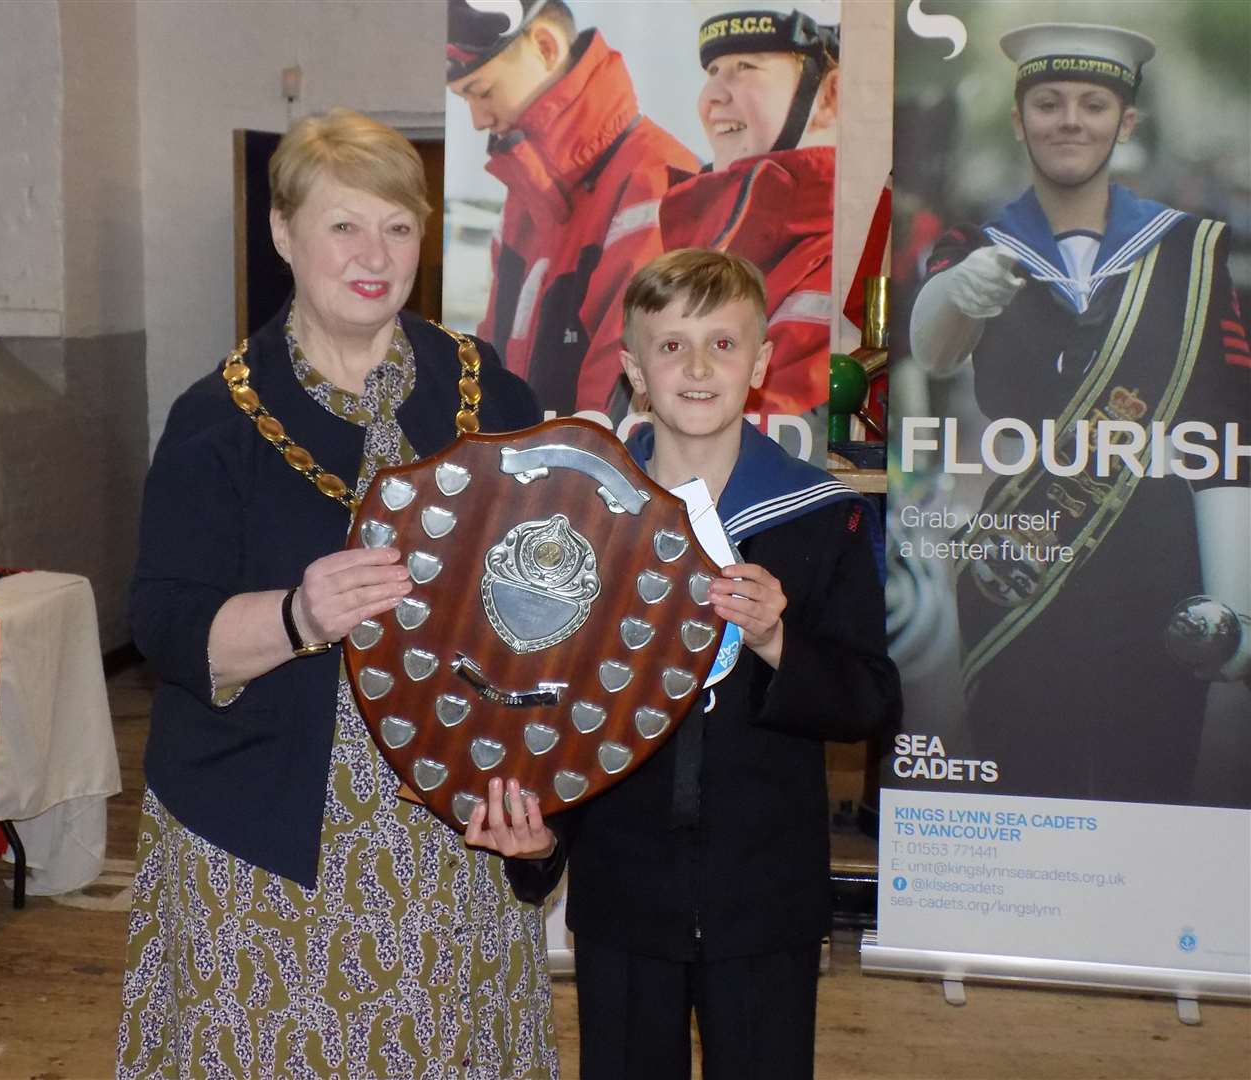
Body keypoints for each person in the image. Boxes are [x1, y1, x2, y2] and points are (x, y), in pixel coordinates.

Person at [117, 109, 560, 1079]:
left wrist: (541, 789)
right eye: (344, 226)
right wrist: (298, 616)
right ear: (284, 234)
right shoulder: (219, 420)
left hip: (450, 839)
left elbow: (559, 618)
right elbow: (166, 624)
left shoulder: (493, 398)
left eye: (399, 227)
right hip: (263, 844)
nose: (375, 254)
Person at [511, 248, 901, 1079]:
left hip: (765, 898)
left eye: (723, 345)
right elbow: (554, 709)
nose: (697, 367)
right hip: (623, 890)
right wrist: (542, 840)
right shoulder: (582, 520)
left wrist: (776, 642)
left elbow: (870, 700)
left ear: (759, 364)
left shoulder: (819, 518)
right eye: (671, 345)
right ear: (633, 372)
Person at [908, 23, 1251, 805]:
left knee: (1151, 797)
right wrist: (954, 295)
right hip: (1018, 568)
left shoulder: (1191, 253)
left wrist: (1234, 609)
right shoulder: (980, 244)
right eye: (1048, 101)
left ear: (1126, 122)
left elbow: (1228, 433)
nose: (1070, 119)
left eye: (1094, 103)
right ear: (1020, 118)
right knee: (1021, 798)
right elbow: (932, 350)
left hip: (1160, 582)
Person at [446, 0, 698, 419]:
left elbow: (624, 387)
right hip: (534, 475)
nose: (475, 120)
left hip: (595, 478)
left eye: (482, 91)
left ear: (546, 46)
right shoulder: (522, 198)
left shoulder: (654, 178)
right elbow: (492, 369)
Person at [659, 8, 840, 423]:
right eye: (713, 70)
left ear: (831, 96)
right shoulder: (685, 244)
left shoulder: (848, 254)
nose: (713, 97)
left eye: (745, 67)